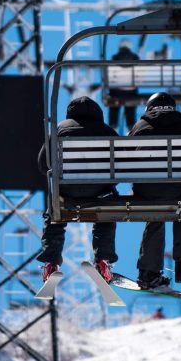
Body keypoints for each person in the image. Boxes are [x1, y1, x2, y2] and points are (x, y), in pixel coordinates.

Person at [128, 92, 181, 298]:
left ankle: (149, 272)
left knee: (155, 216)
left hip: (146, 190)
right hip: (176, 189)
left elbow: (123, 161)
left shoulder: (140, 125)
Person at [37, 96, 119, 283]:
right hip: (100, 193)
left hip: (67, 191)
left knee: (55, 213)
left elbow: (43, 164)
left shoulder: (59, 129)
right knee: (106, 214)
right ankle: (103, 259)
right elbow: (123, 163)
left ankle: (51, 261)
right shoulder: (107, 130)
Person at [108, 40, 140, 132]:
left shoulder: (115, 57)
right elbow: (138, 75)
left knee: (113, 104)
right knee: (130, 105)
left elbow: (110, 75)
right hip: (131, 90)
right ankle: (130, 127)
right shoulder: (135, 57)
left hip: (116, 91)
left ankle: (113, 126)